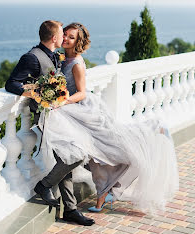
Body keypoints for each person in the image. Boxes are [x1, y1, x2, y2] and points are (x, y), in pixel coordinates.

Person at [39, 22, 179, 215]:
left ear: (78, 42)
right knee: (96, 156)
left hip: (81, 110)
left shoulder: (77, 63)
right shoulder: (62, 57)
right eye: (66, 35)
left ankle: (152, 131)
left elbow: (81, 93)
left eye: (72, 37)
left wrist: (62, 101)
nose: (66, 39)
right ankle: (103, 194)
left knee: (108, 149)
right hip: (73, 113)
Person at [5, 20, 95, 226]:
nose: (64, 37)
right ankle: (44, 186)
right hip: (45, 118)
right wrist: (34, 93)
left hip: (59, 115)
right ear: (55, 38)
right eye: (62, 34)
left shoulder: (55, 56)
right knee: (76, 155)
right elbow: (11, 83)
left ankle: (70, 209)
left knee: (70, 158)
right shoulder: (32, 57)